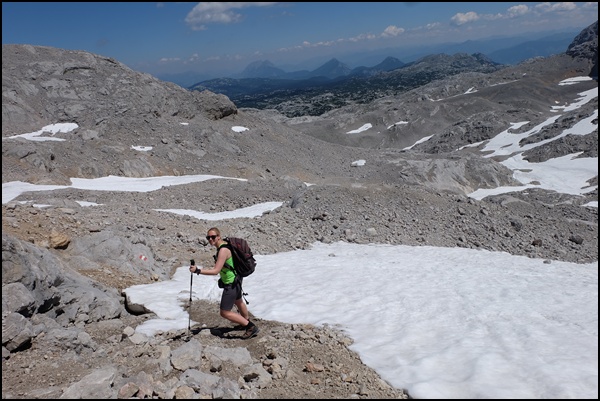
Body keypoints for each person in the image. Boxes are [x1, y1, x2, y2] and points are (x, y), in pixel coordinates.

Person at [189, 227, 259, 339]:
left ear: (218, 236)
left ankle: (250, 326)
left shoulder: (223, 251)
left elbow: (215, 271)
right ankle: (244, 321)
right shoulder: (225, 246)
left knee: (224, 312)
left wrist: (198, 270)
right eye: (208, 237)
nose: (210, 239)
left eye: (213, 237)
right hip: (236, 279)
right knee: (238, 301)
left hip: (231, 283)